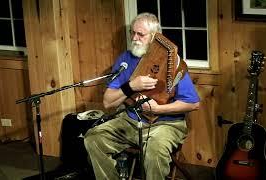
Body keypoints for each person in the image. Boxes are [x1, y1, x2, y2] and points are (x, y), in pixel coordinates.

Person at [84, 12, 200, 180]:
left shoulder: (172, 62)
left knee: (154, 150)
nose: (134, 38)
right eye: (133, 32)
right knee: (93, 138)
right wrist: (131, 86)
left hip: (166, 125)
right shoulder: (126, 59)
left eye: (140, 34)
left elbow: (193, 104)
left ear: (154, 37)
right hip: (130, 119)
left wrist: (159, 109)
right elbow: (108, 102)